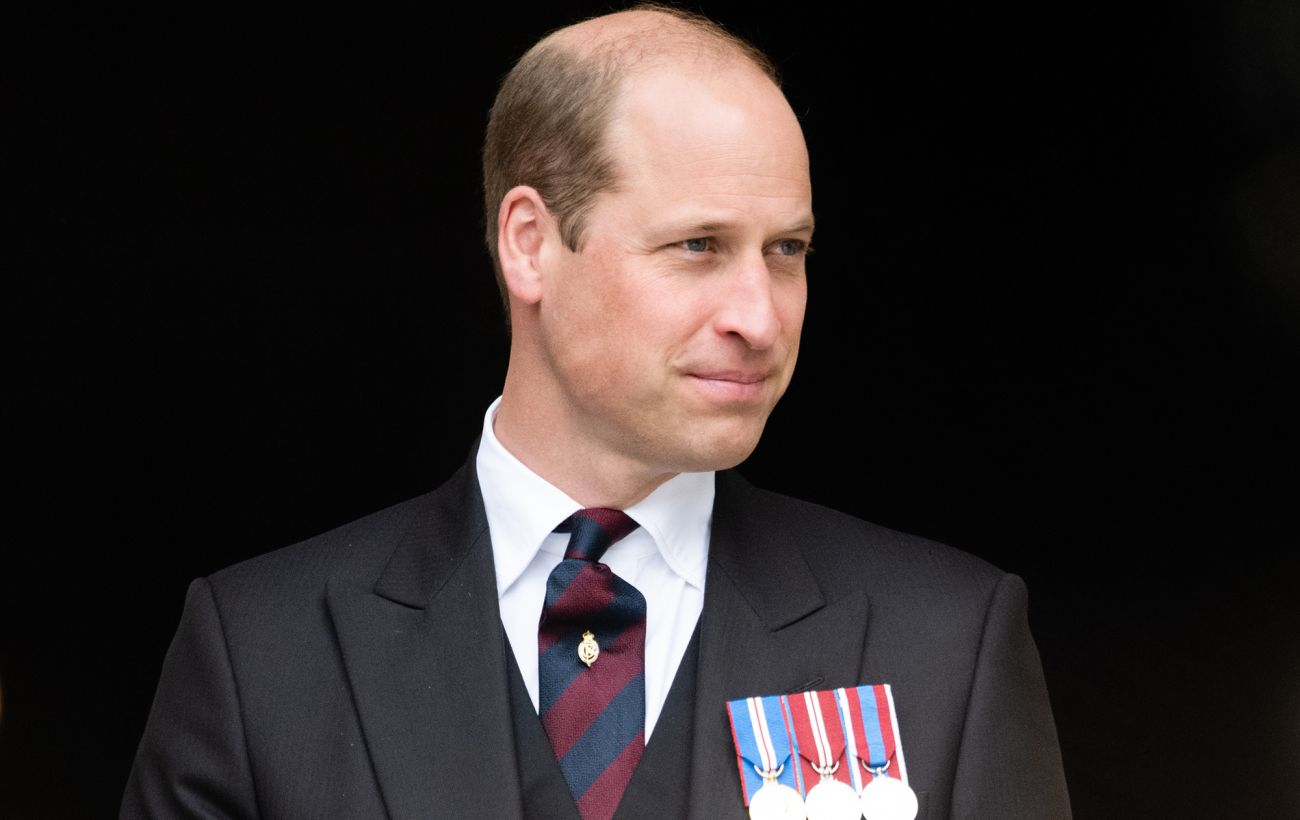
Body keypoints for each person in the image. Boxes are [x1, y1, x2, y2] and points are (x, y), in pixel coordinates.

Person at [122, 5, 1071, 819]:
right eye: (698, 245)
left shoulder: (948, 641)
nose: (760, 317)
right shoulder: (262, 656)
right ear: (530, 244)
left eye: (787, 249)